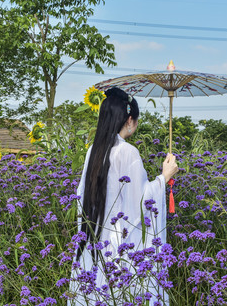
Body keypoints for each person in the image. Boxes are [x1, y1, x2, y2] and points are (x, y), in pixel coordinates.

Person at [69, 87, 179, 306]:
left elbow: (81, 194)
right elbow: (141, 202)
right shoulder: (127, 151)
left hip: (95, 241)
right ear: (129, 120)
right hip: (119, 246)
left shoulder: (94, 150)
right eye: (136, 121)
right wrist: (164, 177)